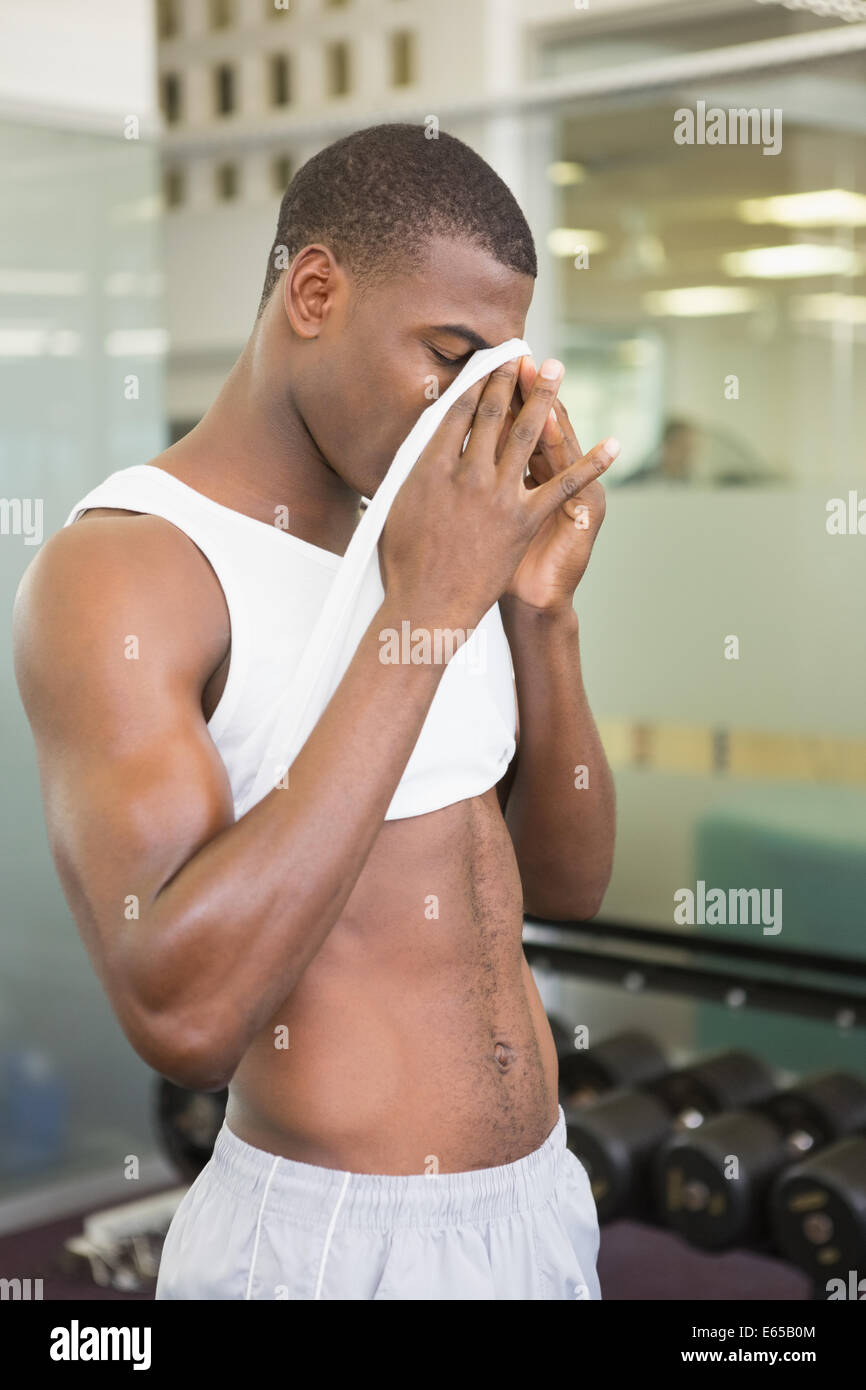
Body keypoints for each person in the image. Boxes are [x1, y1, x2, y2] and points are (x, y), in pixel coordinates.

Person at [13, 123, 618, 1300]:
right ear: (314, 290)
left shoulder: (426, 531)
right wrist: (430, 607)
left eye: (491, 375)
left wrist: (539, 617)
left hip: (539, 1202)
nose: (463, 413)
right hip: (333, 1247)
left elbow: (563, 889)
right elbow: (181, 1013)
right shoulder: (130, 572)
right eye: (444, 357)